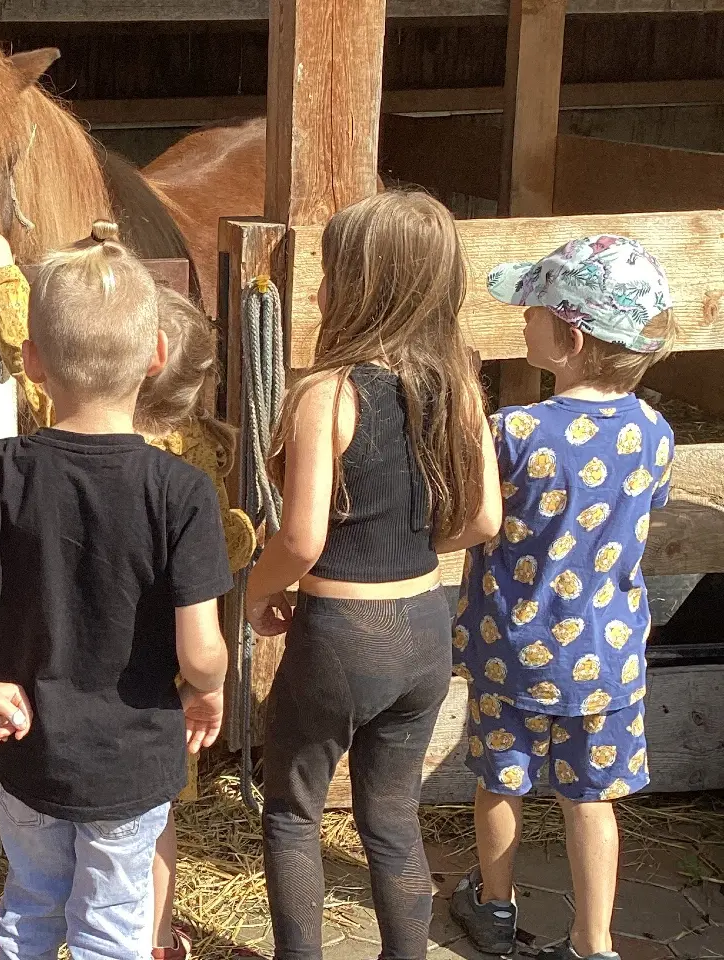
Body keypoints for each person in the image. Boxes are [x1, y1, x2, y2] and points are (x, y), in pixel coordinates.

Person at [0, 223, 233, 960]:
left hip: (29, 748)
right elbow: (200, 649)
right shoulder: (183, 491)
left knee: (31, 911)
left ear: (35, 363)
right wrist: (208, 690)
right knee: (113, 928)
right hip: (133, 762)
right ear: (156, 357)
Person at [244, 190, 503, 960]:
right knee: (392, 818)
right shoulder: (458, 382)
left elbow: (300, 535)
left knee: (293, 811)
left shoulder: (329, 392)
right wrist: (415, 535)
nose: (319, 289)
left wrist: (259, 591)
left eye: (331, 272)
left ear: (362, 289)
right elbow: (484, 521)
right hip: (423, 628)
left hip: (341, 635)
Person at [449, 236, 677, 960]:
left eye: (532, 311)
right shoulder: (654, 432)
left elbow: (473, 519)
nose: (521, 322)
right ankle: (594, 942)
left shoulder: (513, 431)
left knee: (500, 783)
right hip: (606, 655)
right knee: (592, 800)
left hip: (510, 648)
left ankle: (493, 907)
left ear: (569, 337)